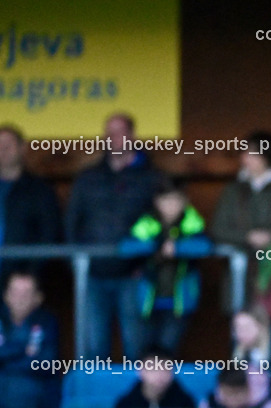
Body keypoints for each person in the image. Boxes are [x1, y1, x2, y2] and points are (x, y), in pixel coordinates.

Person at [66, 113, 164, 360]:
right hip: (93, 275)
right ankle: (94, 400)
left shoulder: (152, 177)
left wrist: (148, 265)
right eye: (108, 133)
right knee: (93, 350)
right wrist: (76, 264)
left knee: (137, 349)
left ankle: (135, 399)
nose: (113, 138)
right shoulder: (88, 177)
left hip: (134, 275)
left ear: (132, 136)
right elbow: (71, 223)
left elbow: (167, 221)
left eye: (119, 132)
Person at [211, 131, 271, 340]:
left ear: (269, 156)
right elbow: (218, 228)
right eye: (245, 153)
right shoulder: (233, 190)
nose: (247, 159)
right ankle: (240, 373)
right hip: (239, 271)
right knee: (239, 331)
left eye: (254, 154)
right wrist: (247, 237)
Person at [120, 179, 211, 354]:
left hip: (179, 301)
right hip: (146, 300)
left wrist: (177, 248)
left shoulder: (191, 222)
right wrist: (155, 245)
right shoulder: (148, 222)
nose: (171, 206)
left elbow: (205, 246)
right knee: (141, 353)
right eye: (166, 200)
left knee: (168, 353)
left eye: (175, 200)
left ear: (185, 201)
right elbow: (125, 248)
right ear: (157, 201)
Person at [0, 125, 61, 279]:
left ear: (22, 148)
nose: (3, 149)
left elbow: (49, 234)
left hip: (21, 281)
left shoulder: (40, 190)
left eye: (9, 144)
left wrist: (30, 273)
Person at [0, 269, 60, 408]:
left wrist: (5, 360)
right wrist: (23, 349)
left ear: (38, 298)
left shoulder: (47, 321)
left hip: (35, 401)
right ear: (6, 296)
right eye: (15, 293)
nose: (20, 299)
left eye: (26, 294)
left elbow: (47, 363)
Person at [115, 346, 196, 408]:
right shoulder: (126, 405)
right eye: (153, 368)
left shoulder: (186, 404)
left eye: (165, 368)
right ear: (140, 370)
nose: (160, 374)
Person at [202, 367, 271, 408]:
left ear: (248, 389)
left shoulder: (264, 407)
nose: (233, 400)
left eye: (237, 394)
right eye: (229, 394)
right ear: (221, 390)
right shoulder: (210, 405)